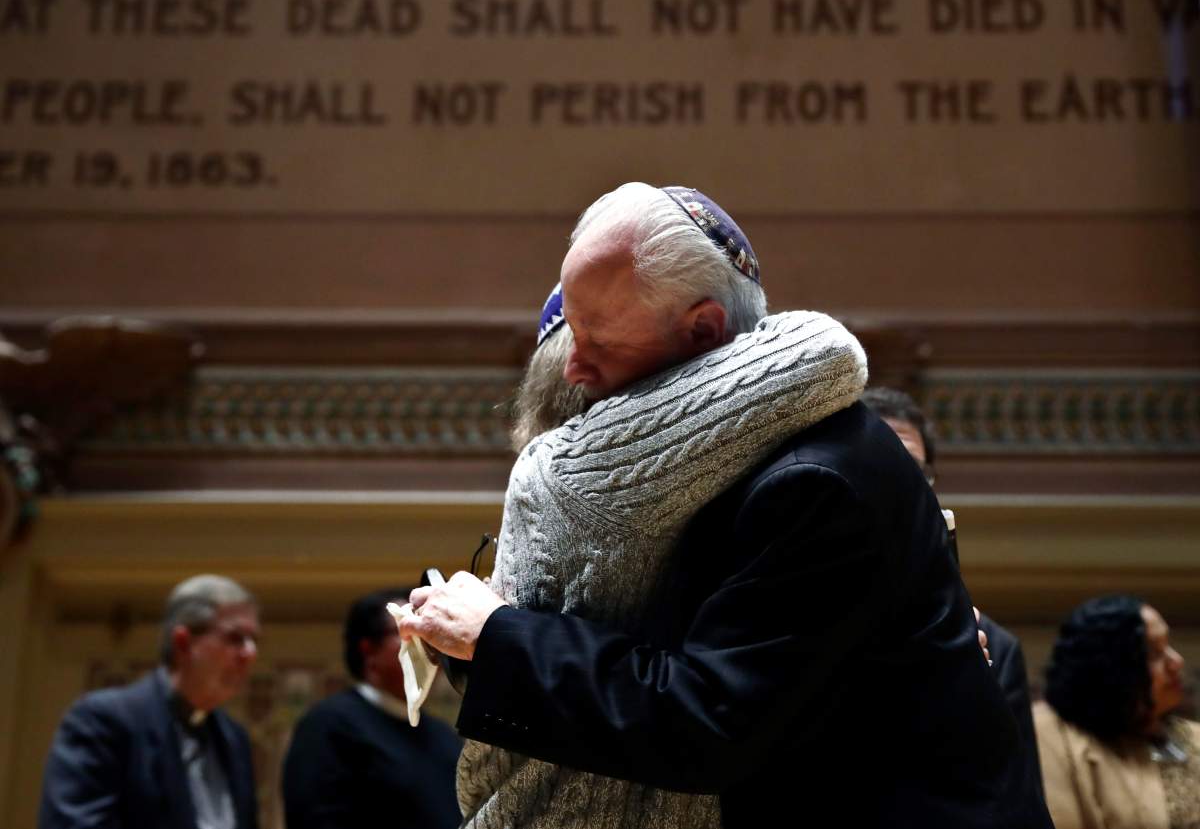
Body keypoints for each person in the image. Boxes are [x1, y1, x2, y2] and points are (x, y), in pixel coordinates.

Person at [403, 182, 1054, 827]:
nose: (573, 368)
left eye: (597, 340)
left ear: (705, 329)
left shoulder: (816, 479)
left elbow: (707, 718)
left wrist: (497, 635)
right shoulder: (725, 457)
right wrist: (475, 640)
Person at [861, 386, 1047, 813]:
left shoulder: (996, 645)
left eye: (916, 472)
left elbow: (1018, 800)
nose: (903, 488)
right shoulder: (798, 622)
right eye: (885, 468)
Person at [39, 574, 260, 829]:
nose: (250, 654)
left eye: (254, 641)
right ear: (183, 643)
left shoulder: (235, 738)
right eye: (235, 638)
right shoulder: (103, 720)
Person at [281, 587, 462, 829]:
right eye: (410, 631)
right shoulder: (329, 724)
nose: (429, 645)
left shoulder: (443, 736)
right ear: (368, 650)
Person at [1035, 595, 1199, 828]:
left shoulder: (1191, 734)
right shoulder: (1053, 735)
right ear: (1111, 670)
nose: (1176, 662)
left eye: (1167, 646)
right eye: (1153, 653)